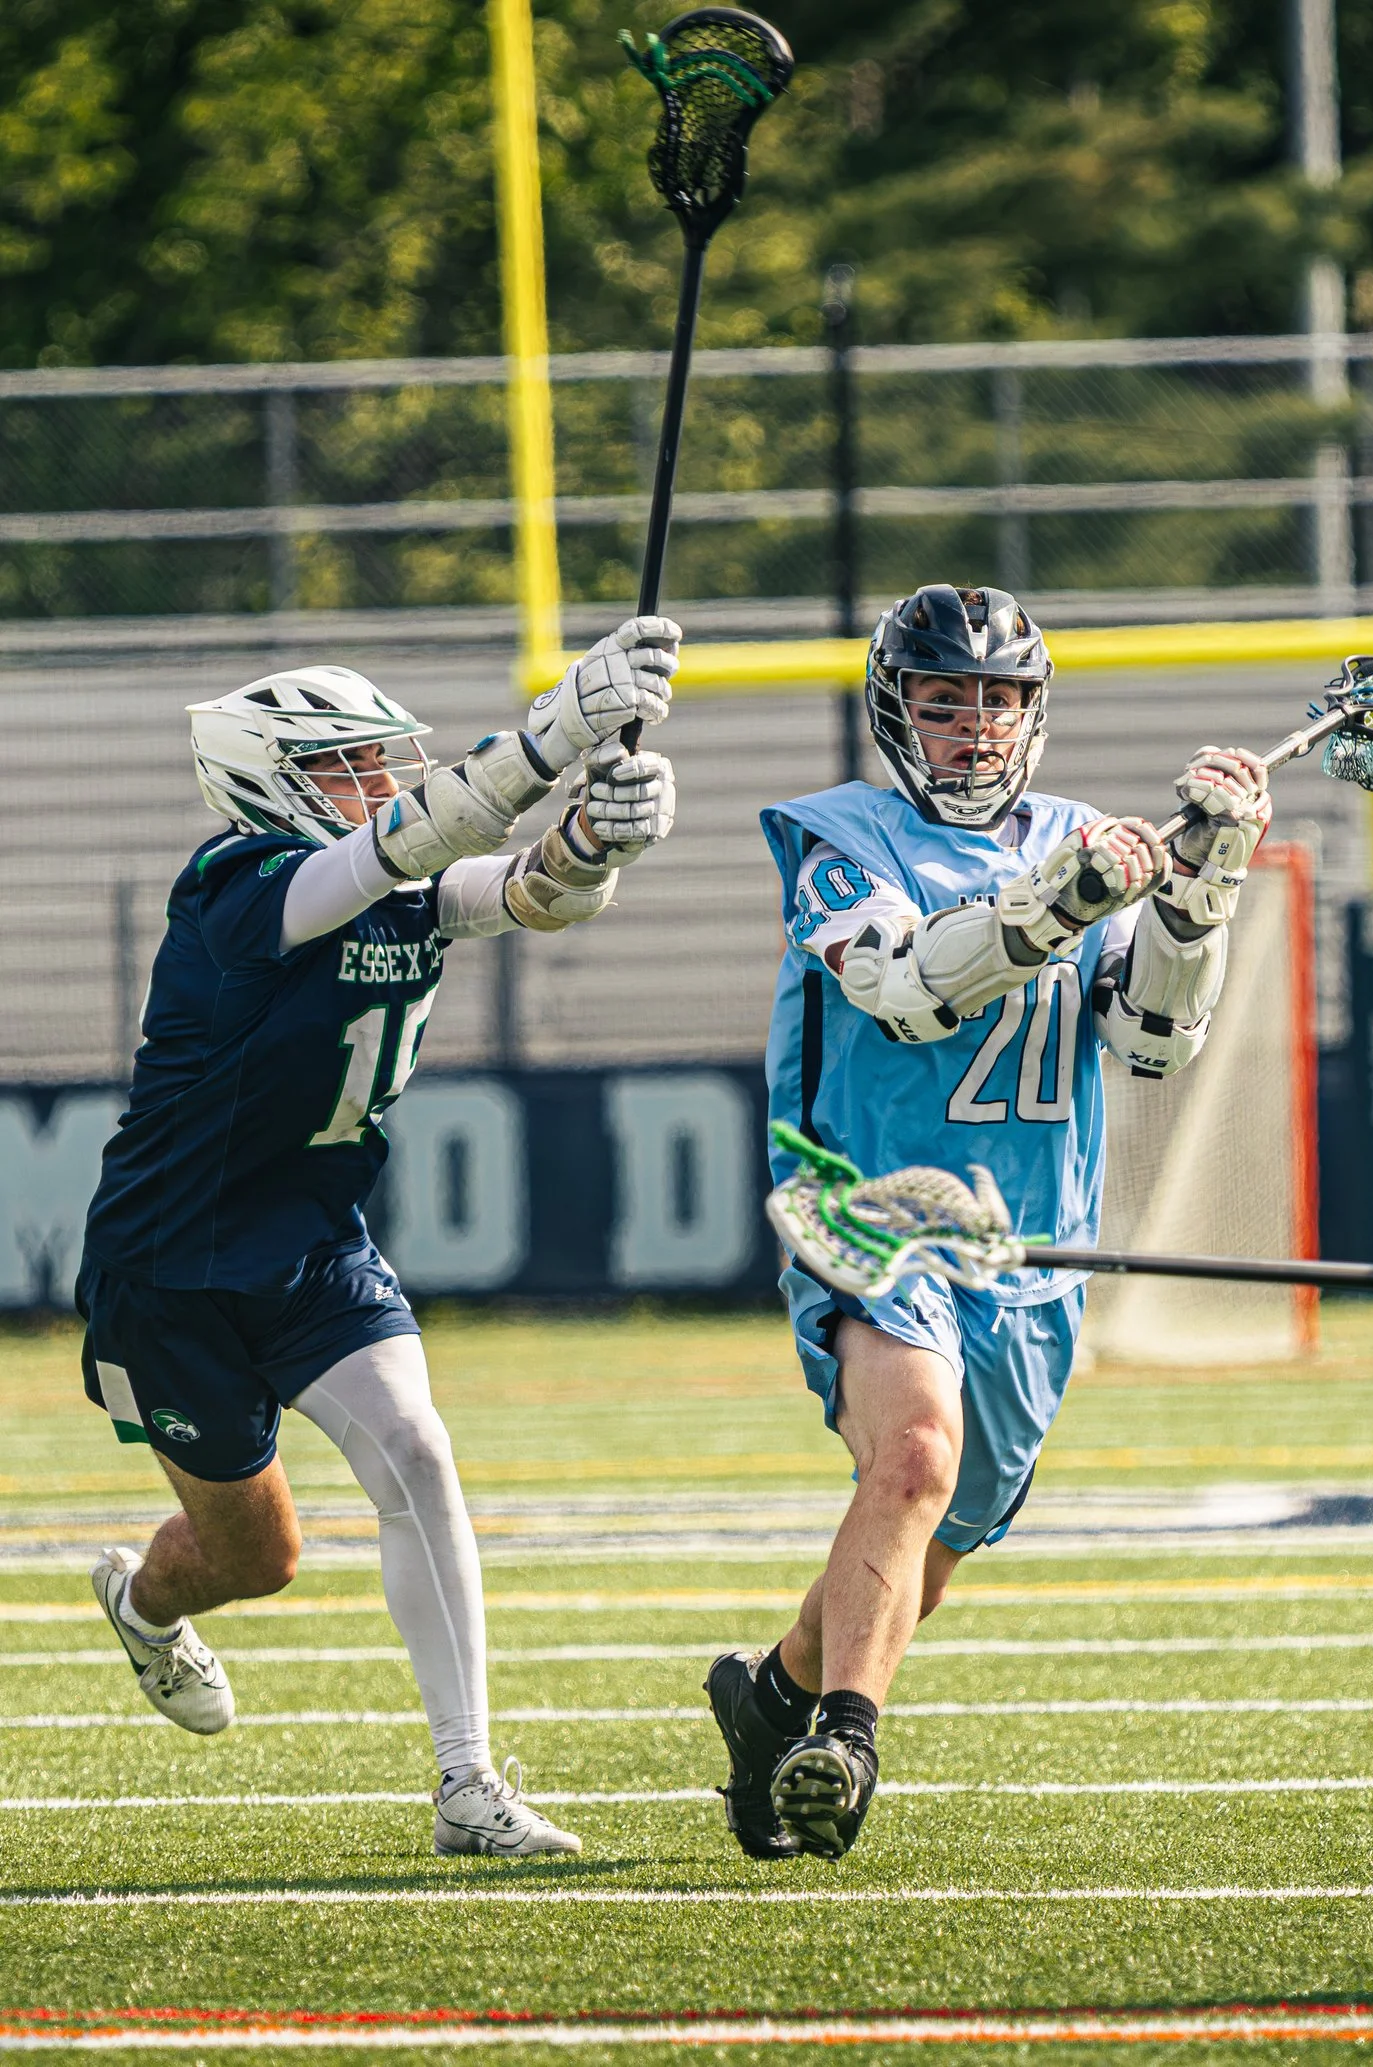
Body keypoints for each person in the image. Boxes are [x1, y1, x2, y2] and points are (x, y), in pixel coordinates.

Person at [80, 619, 683, 1857]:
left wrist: (599, 835)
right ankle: (141, 1605)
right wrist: (552, 733)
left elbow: (523, 893)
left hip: (314, 1247)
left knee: (416, 1448)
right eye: (352, 766)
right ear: (273, 779)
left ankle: (468, 1782)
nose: (381, 785)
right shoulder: (236, 884)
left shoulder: (389, 877)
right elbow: (420, 841)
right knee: (256, 1561)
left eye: (378, 762)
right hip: (170, 1271)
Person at [709, 583, 1271, 1863]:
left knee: (941, 1537)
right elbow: (904, 989)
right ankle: (843, 1741)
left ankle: (776, 1699)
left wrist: (1199, 889)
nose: (975, 726)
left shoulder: (1080, 833)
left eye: (1001, 701)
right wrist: (1059, 906)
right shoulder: (835, 835)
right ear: (895, 709)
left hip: (1029, 1239)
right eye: (946, 699)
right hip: (868, 1205)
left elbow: (1154, 1039)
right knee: (910, 1460)